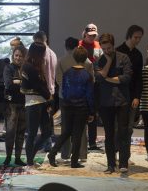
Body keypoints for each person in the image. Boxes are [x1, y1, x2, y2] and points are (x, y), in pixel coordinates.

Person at [48, 46, 94, 168]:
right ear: (85, 59)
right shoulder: (87, 75)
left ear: (74, 57)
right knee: (78, 134)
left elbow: (64, 90)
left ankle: (52, 153)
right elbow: (89, 95)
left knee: (66, 132)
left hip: (67, 105)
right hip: (81, 107)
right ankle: (74, 162)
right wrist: (92, 112)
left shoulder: (67, 73)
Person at [95, 33, 132, 173]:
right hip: (105, 101)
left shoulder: (124, 57)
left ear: (113, 45)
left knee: (123, 132)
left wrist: (109, 79)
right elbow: (99, 78)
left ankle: (123, 163)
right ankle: (111, 164)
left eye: (109, 48)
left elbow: (127, 78)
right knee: (108, 134)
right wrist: (109, 62)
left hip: (122, 100)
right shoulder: (99, 61)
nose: (107, 51)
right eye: (104, 49)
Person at [21, 42, 52, 169]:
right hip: (33, 103)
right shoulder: (28, 66)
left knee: (47, 132)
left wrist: (48, 97)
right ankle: (29, 162)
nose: (44, 55)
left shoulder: (37, 65)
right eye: (42, 53)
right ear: (37, 53)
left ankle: (31, 157)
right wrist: (48, 96)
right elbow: (37, 85)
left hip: (42, 102)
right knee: (32, 133)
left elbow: (42, 84)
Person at [116, 25, 144, 150]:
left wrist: (137, 96)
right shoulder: (118, 51)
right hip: (118, 94)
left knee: (129, 128)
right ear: (129, 36)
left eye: (140, 38)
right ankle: (115, 152)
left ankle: (125, 153)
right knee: (117, 126)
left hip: (132, 94)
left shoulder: (138, 54)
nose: (137, 40)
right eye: (135, 37)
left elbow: (139, 77)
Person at [79, 23, 103, 151]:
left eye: (94, 35)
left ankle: (92, 142)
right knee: (82, 111)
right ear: (85, 34)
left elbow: (102, 61)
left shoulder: (98, 45)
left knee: (93, 111)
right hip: (82, 82)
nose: (92, 38)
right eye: (90, 35)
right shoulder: (79, 45)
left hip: (95, 82)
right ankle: (80, 140)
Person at [3, 45, 27, 166]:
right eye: (16, 55)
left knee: (21, 132)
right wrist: (20, 82)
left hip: (24, 103)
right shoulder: (8, 67)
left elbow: (29, 84)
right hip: (11, 104)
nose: (18, 58)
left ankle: (18, 157)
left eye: (21, 56)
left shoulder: (26, 69)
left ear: (24, 57)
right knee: (10, 132)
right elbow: (8, 84)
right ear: (13, 56)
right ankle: (8, 157)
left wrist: (16, 81)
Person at [32, 31, 57, 152]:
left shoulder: (41, 55)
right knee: (47, 120)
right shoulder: (53, 53)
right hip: (51, 89)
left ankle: (43, 145)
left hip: (43, 91)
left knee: (41, 121)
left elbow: (42, 75)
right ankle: (48, 144)